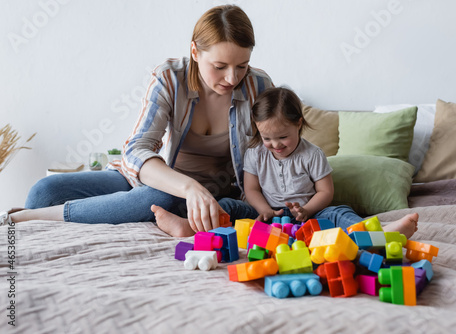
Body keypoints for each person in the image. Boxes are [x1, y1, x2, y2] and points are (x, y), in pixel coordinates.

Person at [1, 5, 274, 237]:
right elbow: (137, 149)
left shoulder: (258, 86)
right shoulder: (170, 78)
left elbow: (277, 151)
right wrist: (188, 187)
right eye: (219, 67)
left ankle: (29, 219)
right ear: (194, 51)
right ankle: (37, 220)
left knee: (158, 200)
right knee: (43, 191)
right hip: (161, 180)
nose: (232, 78)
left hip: (210, 192)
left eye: (242, 66)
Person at [169, 87, 418, 238]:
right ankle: (190, 226)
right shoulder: (255, 152)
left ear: (299, 123)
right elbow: (251, 189)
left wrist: (307, 210)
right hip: (265, 212)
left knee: (340, 213)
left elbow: (325, 191)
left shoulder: (312, 154)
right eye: (267, 138)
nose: (276, 145)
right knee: (227, 205)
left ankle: (375, 234)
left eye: (283, 137)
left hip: (308, 214)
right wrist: (264, 209)